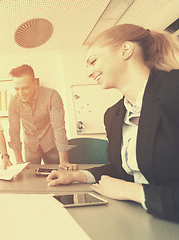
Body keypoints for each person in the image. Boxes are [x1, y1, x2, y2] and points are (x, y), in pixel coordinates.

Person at [46, 24, 179, 222]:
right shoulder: (114, 114)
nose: (89, 73)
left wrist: (136, 193)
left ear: (126, 50)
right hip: (142, 219)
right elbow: (121, 169)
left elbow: (130, 184)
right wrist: (77, 176)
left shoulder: (174, 91)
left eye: (93, 61)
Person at [8, 64, 77, 170]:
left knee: (57, 174)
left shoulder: (51, 96)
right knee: (30, 179)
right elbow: (14, 131)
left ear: (35, 83)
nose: (21, 93)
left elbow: (59, 128)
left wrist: (64, 161)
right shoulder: (13, 103)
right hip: (30, 146)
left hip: (51, 145)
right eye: (17, 89)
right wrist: (18, 160)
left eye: (25, 88)